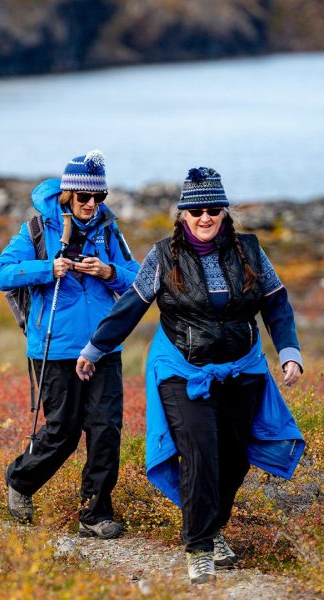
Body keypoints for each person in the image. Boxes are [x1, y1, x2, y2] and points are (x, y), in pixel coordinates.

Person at [76, 167, 305, 582]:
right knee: (199, 451)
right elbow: (130, 307)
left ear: (224, 212)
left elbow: (276, 303)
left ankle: (212, 526)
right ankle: (199, 546)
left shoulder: (250, 251)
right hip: (182, 371)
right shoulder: (164, 255)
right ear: (183, 214)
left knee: (234, 460)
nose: (204, 218)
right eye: (196, 210)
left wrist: (289, 351)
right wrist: (95, 348)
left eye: (213, 210)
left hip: (242, 370)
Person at [0, 150, 140, 538]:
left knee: (106, 430)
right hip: (54, 348)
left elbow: (139, 279)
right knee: (64, 431)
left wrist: (108, 272)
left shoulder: (109, 230)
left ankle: (95, 514)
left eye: (99, 197)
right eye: (85, 198)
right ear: (68, 193)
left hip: (103, 346)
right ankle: (21, 481)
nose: (92, 205)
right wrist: (47, 268)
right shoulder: (38, 229)